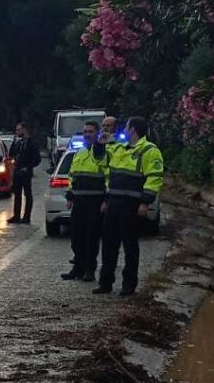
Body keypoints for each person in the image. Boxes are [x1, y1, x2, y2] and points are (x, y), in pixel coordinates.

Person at [94, 116, 164, 296]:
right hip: (114, 203)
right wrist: (100, 145)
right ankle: (105, 282)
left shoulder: (149, 150)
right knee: (109, 245)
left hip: (132, 206)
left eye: (126, 127)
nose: (124, 130)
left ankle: (129, 285)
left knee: (130, 246)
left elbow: (154, 178)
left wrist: (145, 202)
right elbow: (101, 162)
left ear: (133, 129)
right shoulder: (119, 148)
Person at [61, 121, 106, 282]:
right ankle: (77, 267)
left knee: (91, 237)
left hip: (95, 200)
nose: (87, 134)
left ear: (98, 133)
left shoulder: (102, 152)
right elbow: (72, 175)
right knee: (76, 236)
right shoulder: (79, 152)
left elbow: (107, 176)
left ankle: (89, 269)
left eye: (91, 131)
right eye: (85, 131)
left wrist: (105, 200)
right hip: (79, 199)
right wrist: (70, 196)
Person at [7, 122, 41, 224]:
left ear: (24, 130)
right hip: (17, 172)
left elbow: (37, 159)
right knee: (17, 194)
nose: (17, 132)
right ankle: (16, 215)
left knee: (27, 194)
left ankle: (27, 217)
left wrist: (28, 167)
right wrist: (14, 142)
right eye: (16, 130)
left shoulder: (32, 143)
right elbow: (11, 154)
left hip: (26, 172)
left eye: (19, 130)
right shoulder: (18, 143)